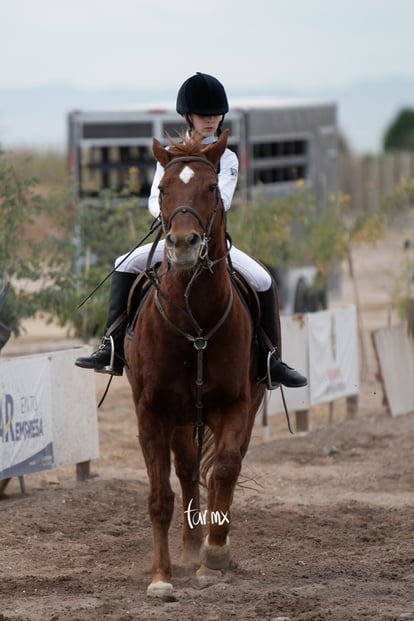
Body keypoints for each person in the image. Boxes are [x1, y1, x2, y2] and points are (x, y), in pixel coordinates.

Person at [75, 72, 307, 390]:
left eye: (215, 114)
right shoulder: (169, 157)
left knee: (263, 280)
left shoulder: (226, 158)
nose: (210, 120)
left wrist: (192, 217)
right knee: (122, 263)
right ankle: (111, 347)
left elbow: (221, 199)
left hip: (212, 244)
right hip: (174, 238)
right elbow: (154, 202)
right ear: (189, 116)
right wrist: (172, 219)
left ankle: (271, 360)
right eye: (203, 114)